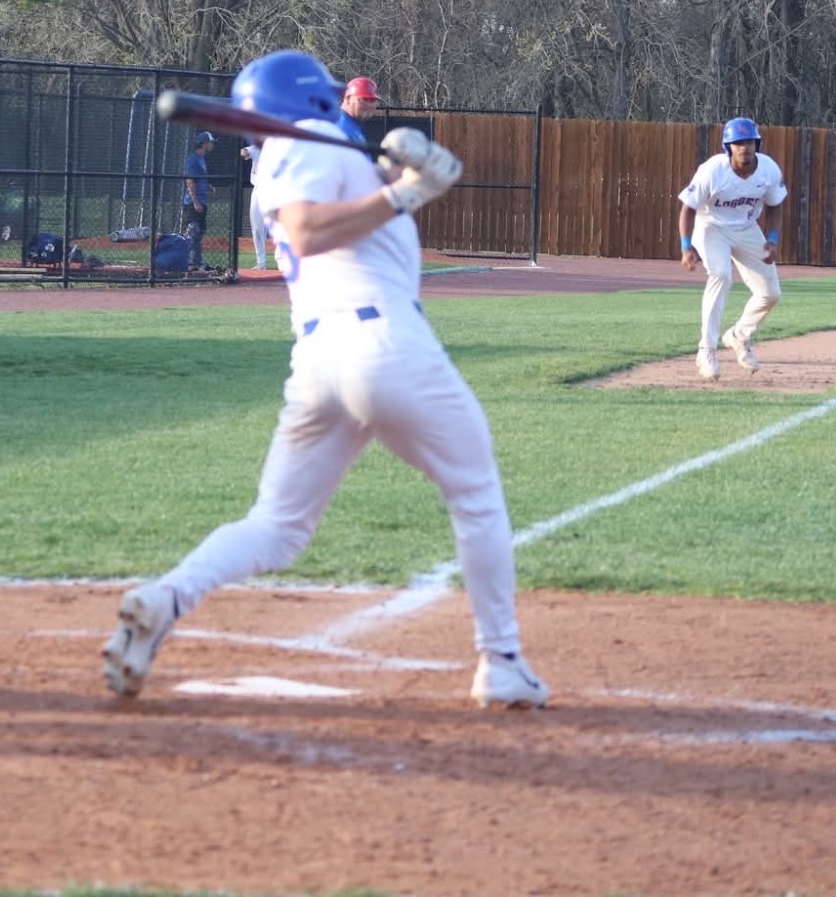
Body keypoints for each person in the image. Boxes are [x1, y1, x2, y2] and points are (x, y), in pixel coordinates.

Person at [103, 50, 548, 709]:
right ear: (312, 100)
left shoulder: (314, 152)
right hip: (385, 344)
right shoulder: (297, 149)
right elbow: (311, 231)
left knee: (277, 525)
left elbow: (360, 201)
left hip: (320, 358)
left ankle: (164, 600)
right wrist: (404, 187)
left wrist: (401, 173)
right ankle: (502, 658)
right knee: (476, 492)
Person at [678, 117, 788, 380]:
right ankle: (707, 349)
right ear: (728, 147)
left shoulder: (768, 170)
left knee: (770, 293)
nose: (744, 148)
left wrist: (771, 240)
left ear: (756, 144)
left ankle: (739, 335)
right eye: (738, 143)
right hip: (712, 227)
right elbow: (688, 209)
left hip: (747, 228)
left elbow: (775, 206)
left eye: (749, 142)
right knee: (721, 275)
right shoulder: (713, 170)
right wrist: (686, 247)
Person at [181, 130, 214, 271]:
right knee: (192, 231)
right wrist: (195, 201)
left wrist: (208, 186)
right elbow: (190, 181)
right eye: (210, 143)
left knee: (199, 233)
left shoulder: (202, 159)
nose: (211, 145)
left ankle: (197, 261)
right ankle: (188, 262)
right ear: (204, 144)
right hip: (193, 203)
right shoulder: (193, 159)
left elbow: (199, 179)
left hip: (202, 201)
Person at [241, 141, 270, 270]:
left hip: (276, 189)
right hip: (259, 189)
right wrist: (247, 151)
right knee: (257, 227)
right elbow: (243, 152)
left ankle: (287, 260)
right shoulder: (257, 148)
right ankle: (261, 263)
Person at [338, 76, 379, 146]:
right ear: (348, 99)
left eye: (372, 101)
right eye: (364, 99)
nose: (369, 105)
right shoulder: (340, 128)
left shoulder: (352, 124)